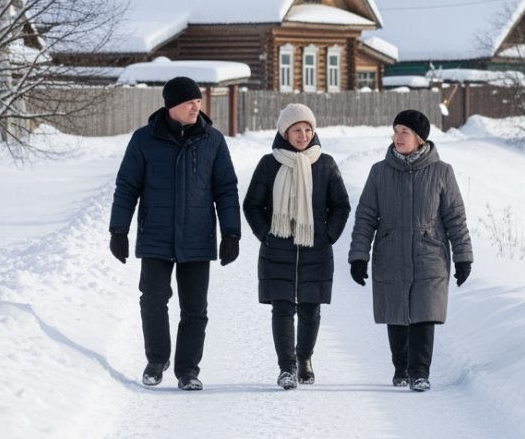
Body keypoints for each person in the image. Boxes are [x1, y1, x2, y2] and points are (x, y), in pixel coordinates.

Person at [109, 76, 241, 391]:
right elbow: (127, 187)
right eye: (189, 102)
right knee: (152, 299)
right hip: (155, 234)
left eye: (198, 101)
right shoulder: (144, 139)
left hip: (197, 236)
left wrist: (231, 234)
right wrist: (119, 230)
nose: (196, 107)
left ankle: (187, 370)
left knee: (194, 308)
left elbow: (226, 190)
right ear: (171, 106)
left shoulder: (212, 140)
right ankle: (156, 360)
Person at [348, 110, 473, 392]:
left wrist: (463, 257)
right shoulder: (379, 171)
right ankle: (401, 368)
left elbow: (455, 218)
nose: (398, 137)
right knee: (396, 312)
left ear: (419, 138)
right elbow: (365, 217)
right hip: (391, 250)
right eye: (396, 131)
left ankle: (420, 372)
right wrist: (359, 255)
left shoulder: (442, 172)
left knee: (424, 313)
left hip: (430, 252)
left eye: (405, 132)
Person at [242, 104, 352, 390]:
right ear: (285, 133)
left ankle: (304, 359)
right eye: (296, 130)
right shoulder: (269, 164)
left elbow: (341, 205)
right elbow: (252, 204)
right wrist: (266, 234)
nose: (303, 135)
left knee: (309, 310)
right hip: (277, 249)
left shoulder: (325, 164)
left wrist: (328, 235)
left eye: (307, 129)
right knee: (281, 309)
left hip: (315, 249)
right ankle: (287, 367)